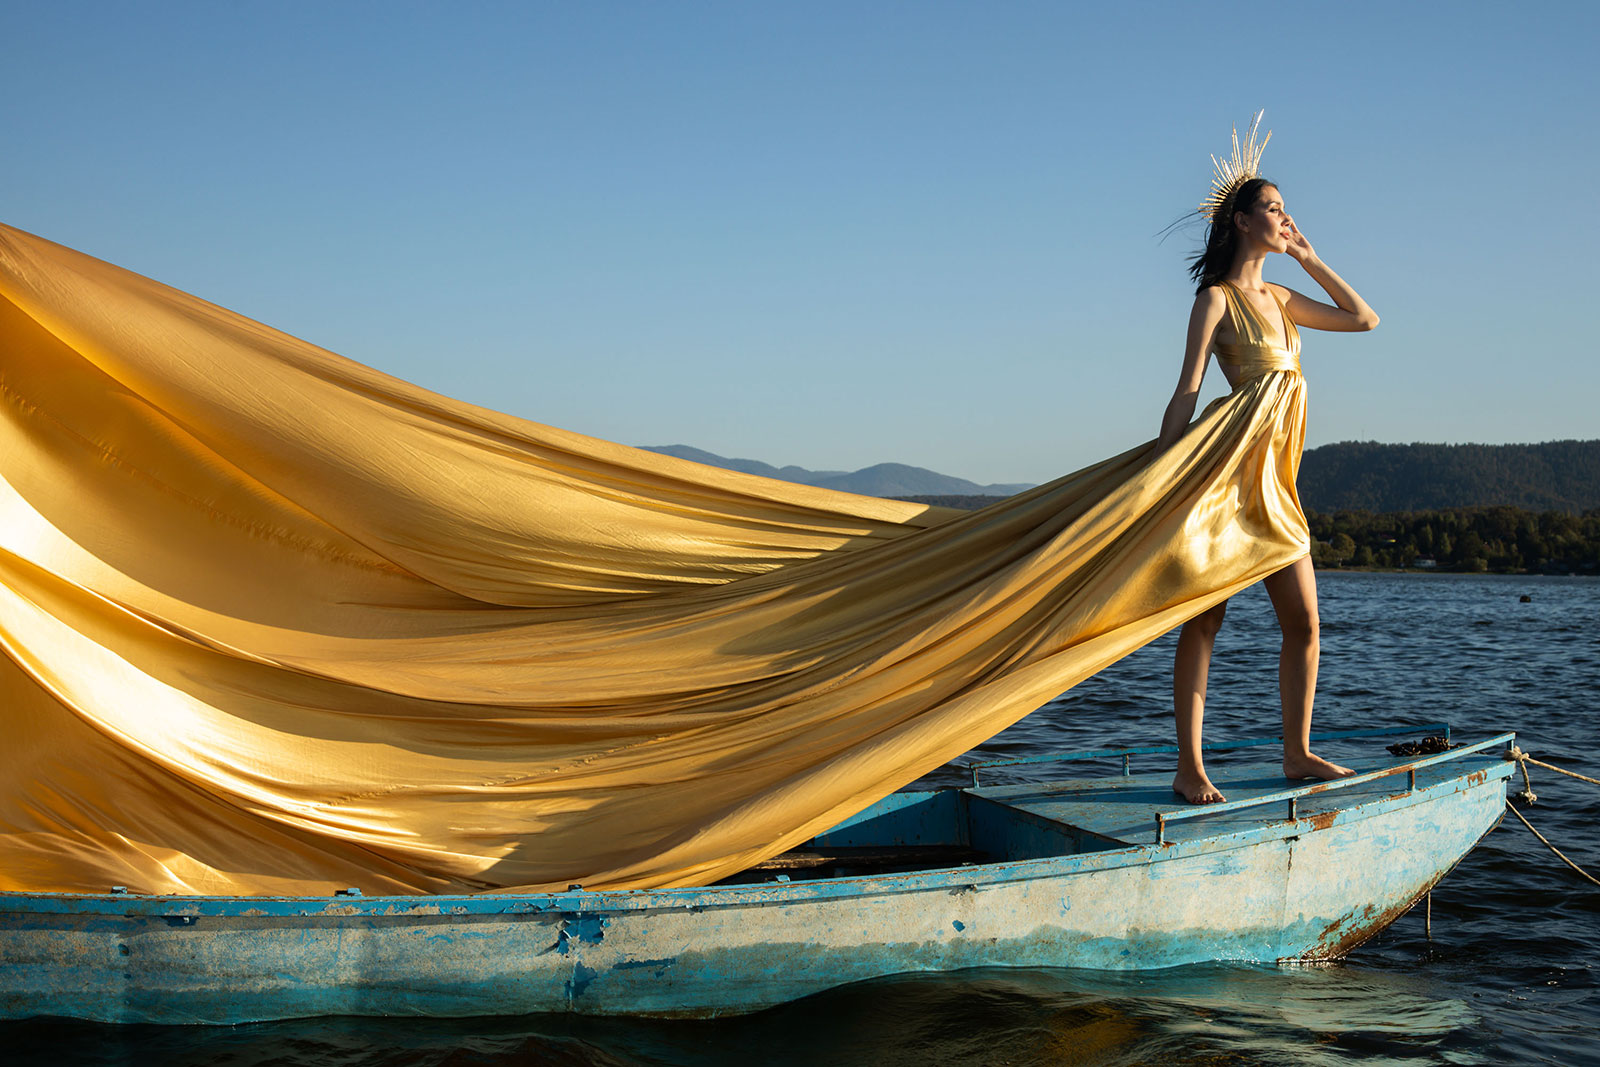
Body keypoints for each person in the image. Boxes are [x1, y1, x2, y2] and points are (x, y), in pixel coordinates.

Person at [1155, 115, 1379, 804]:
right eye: (1275, 209)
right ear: (1242, 220)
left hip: (1277, 488)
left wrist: (1308, 255)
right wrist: (1161, 478)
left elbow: (1364, 318)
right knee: (1205, 618)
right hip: (1224, 480)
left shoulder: (1282, 297)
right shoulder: (1215, 299)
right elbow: (1188, 387)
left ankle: (1297, 752)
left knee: (1305, 625)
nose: (1285, 217)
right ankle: (1189, 765)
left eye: (1286, 210)